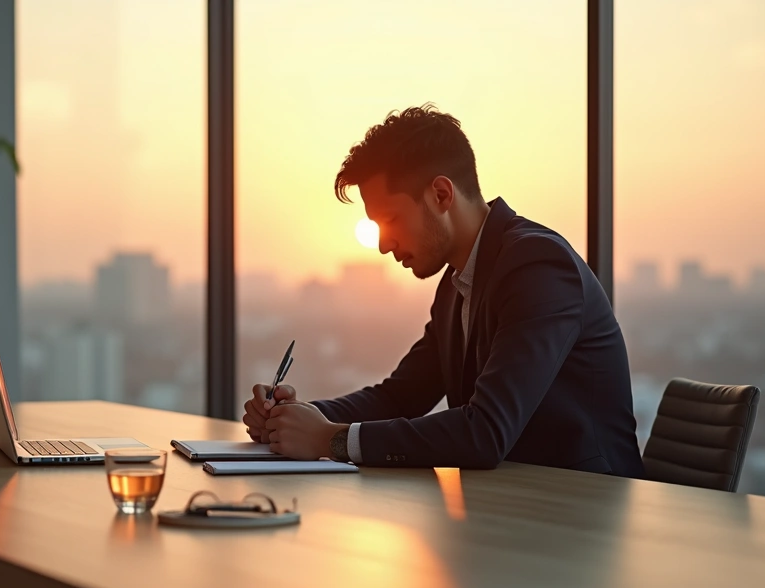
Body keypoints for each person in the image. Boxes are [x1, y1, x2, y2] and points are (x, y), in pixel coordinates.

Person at [242, 105, 645, 477]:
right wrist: (297, 418)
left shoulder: (538, 267)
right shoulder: (457, 285)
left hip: (589, 517)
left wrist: (330, 439)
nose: (383, 245)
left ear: (441, 195)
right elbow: (399, 398)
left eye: (392, 219)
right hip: (515, 512)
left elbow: (484, 433)